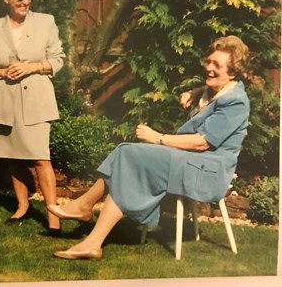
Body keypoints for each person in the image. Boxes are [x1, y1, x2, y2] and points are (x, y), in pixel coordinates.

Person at [48, 35, 250, 259]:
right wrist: (196, 90)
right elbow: (214, 94)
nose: (209, 67)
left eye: (217, 65)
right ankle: (90, 230)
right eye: (209, 61)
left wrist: (158, 138)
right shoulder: (217, 91)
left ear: (232, 72)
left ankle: (86, 215)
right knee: (127, 153)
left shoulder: (236, 102)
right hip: (191, 161)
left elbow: (202, 142)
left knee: (129, 155)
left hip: (206, 172)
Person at [0, 0, 64, 234]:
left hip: (37, 101)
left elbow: (59, 60)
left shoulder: (46, 23)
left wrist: (34, 67)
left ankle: (53, 217)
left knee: (41, 158)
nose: (26, 2)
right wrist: (0, 72)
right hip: (5, 102)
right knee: (12, 156)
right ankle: (22, 206)